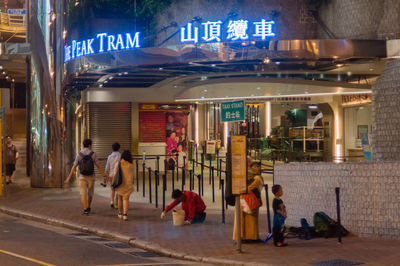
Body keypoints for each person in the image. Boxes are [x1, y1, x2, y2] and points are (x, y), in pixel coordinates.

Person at [65, 139, 107, 215]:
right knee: (90, 194)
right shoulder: (93, 154)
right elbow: (98, 166)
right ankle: (89, 206)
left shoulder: (79, 154)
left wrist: (69, 177)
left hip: (82, 177)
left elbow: (74, 167)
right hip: (91, 177)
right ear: (89, 145)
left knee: (83, 193)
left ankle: (85, 210)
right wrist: (104, 175)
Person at [233, 161, 264, 242]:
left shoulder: (250, 176)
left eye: (258, 166)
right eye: (256, 166)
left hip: (247, 198)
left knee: (250, 217)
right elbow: (251, 187)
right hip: (247, 198)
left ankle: (249, 236)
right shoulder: (256, 178)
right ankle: (247, 237)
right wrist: (245, 190)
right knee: (247, 217)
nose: (258, 168)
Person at [112, 150, 135, 221]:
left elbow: (114, 174)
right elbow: (133, 176)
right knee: (126, 199)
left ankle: (120, 213)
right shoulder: (131, 165)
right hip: (128, 184)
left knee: (119, 199)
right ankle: (125, 215)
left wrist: (113, 184)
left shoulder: (118, 164)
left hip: (120, 184)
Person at [104, 142, 121, 209]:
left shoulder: (109, 156)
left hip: (111, 175)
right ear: (119, 148)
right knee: (118, 189)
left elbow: (107, 167)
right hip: (118, 175)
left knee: (113, 188)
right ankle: (116, 204)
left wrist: (105, 176)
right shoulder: (120, 156)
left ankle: (111, 201)